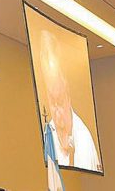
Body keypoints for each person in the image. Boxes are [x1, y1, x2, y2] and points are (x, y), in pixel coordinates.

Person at [39, 31, 101, 172]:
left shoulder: (84, 139)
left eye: (60, 102)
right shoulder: (47, 133)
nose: (57, 112)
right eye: (52, 102)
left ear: (68, 96)